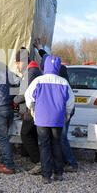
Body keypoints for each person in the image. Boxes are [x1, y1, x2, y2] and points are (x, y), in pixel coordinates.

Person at [25, 55, 75, 184]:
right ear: (58, 67)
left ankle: (46, 175)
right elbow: (70, 102)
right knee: (56, 144)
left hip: (41, 118)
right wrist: (67, 114)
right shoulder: (64, 82)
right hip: (58, 118)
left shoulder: (38, 81)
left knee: (44, 146)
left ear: (45, 66)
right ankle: (58, 173)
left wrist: (32, 109)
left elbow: (29, 98)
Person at [34, 39, 79, 172]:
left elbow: (69, 101)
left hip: (62, 109)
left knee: (60, 139)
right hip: (62, 108)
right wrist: (40, 48)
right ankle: (58, 166)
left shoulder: (56, 75)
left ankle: (71, 164)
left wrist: (66, 113)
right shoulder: (58, 68)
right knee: (57, 140)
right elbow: (47, 57)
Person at [13, 47, 42, 175]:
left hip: (31, 110)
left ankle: (38, 162)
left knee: (25, 134)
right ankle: (32, 156)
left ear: (23, 61)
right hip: (33, 108)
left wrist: (13, 100)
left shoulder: (30, 72)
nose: (17, 65)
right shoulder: (33, 69)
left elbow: (24, 93)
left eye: (17, 62)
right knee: (32, 134)